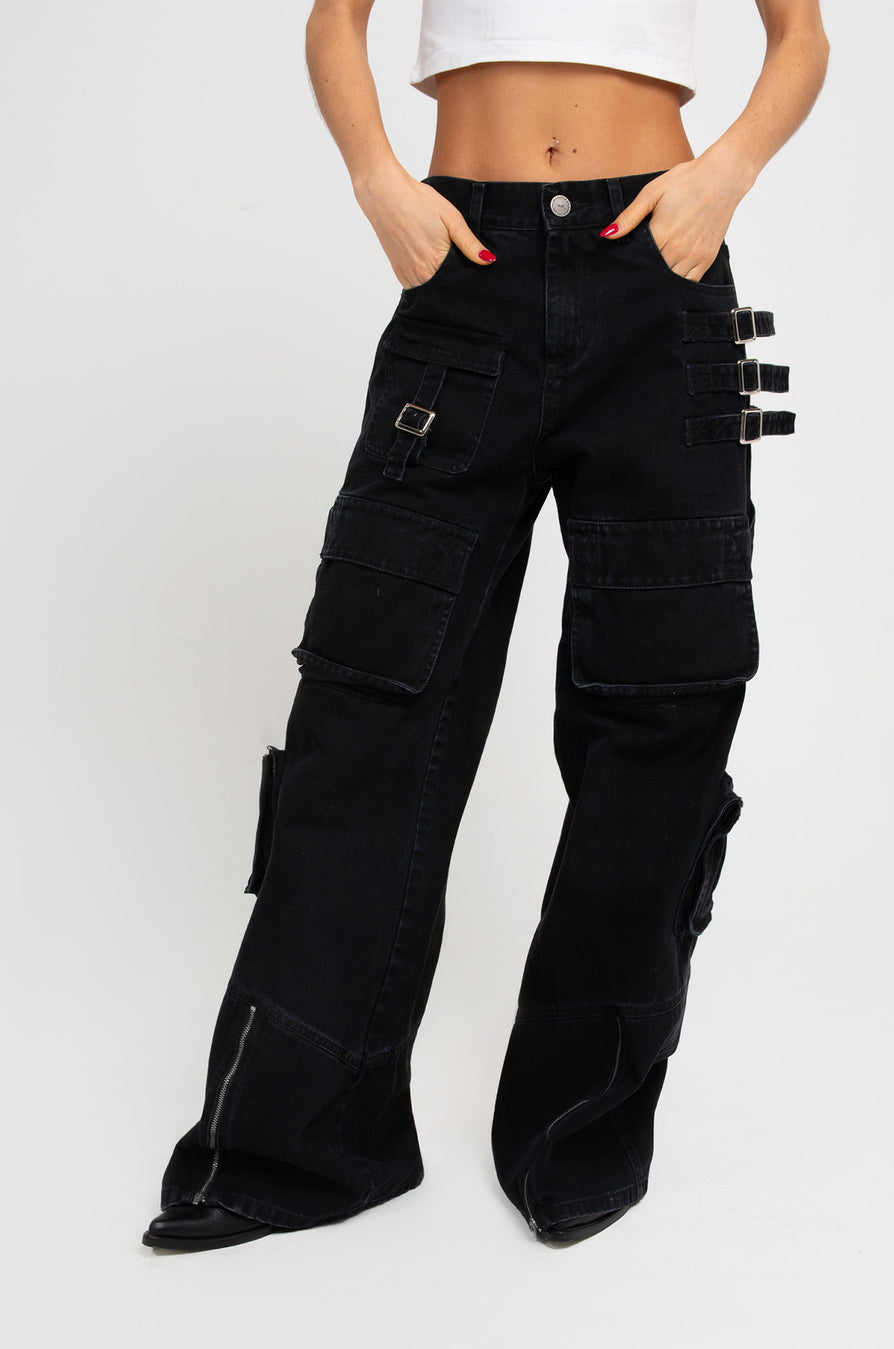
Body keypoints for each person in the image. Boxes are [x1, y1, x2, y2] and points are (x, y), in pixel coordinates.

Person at [142, 0, 829, 1252]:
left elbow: (803, 38)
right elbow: (336, 20)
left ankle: (579, 1128)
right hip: (468, 270)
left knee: (662, 705)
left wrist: (723, 176)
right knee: (369, 694)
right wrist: (376, 179)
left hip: (665, 279)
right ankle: (300, 1144)